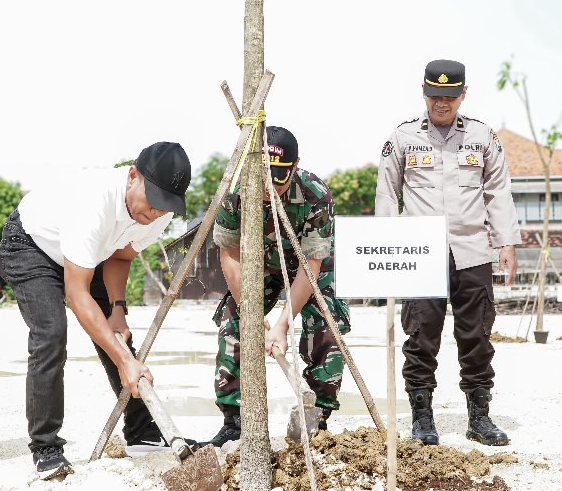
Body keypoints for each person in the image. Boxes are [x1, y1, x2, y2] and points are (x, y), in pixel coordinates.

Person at [0, 141, 193, 480]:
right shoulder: (93, 202)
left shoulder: (157, 214)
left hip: (90, 257)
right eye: (154, 201)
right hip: (30, 246)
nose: (157, 213)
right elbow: (77, 293)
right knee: (51, 334)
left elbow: (120, 256)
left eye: (166, 205)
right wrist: (126, 362)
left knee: (116, 335)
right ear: (133, 176)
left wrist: (117, 308)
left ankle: (142, 431)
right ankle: (46, 448)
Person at [376, 59, 521, 447]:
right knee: (421, 336)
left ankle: (479, 416)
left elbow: (498, 192)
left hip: (473, 251)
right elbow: (387, 195)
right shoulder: (402, 138)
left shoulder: (482, 136)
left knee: (476, 336)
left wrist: (506, 242)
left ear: (463, 94)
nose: (442, 103)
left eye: (450, 96)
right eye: (435, 95)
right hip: (420, 253)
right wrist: (387, 247)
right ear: (423, 92)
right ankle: (422, 418)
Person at [199, 126, 351, 448]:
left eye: (281, 177)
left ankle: (316, 420)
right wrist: (252, 311)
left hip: (308, 266)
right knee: (233, 324)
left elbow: (310, 267)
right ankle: (234, 421)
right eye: (267, 176)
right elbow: (230, 254)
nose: (272, 186)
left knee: (326, 326)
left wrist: (282, 324)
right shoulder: (235, 193)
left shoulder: (315, 195)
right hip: (258, 266)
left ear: (295, 168)